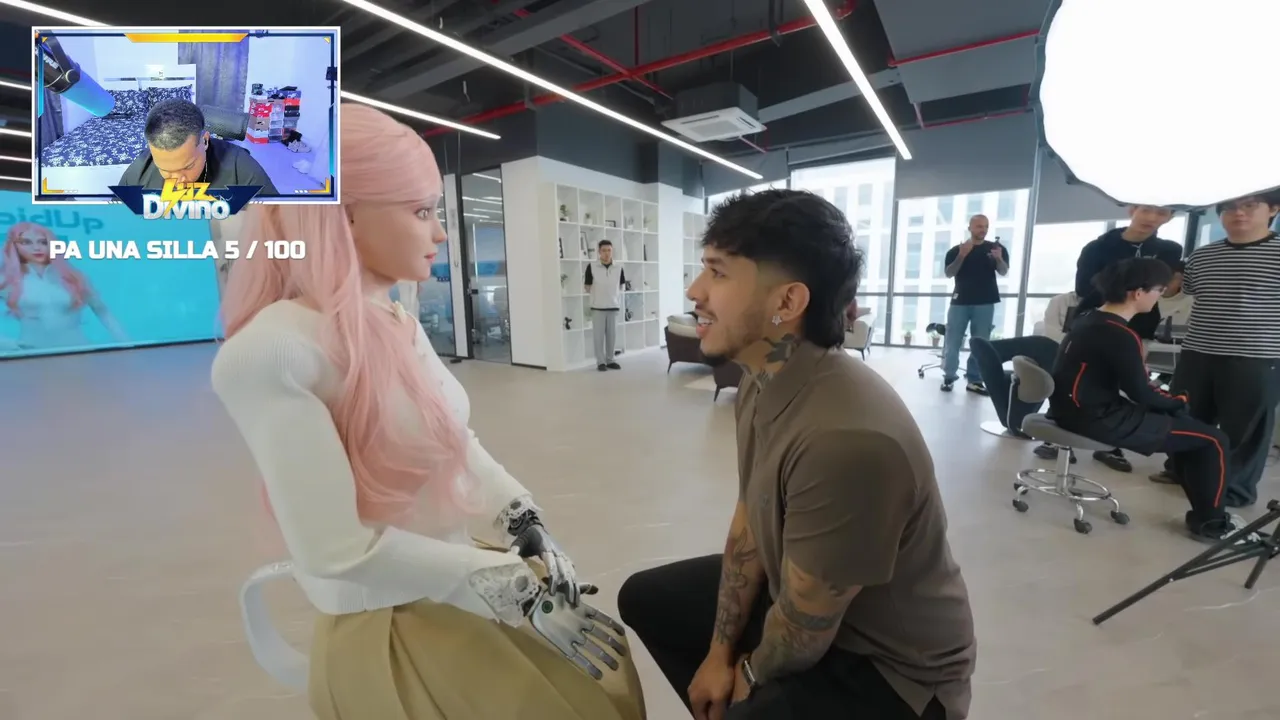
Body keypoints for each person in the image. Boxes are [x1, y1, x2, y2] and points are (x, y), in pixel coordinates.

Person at [210, 104, 643, 720]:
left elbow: (453, 438)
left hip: (453, 590)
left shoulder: (396, 322)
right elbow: (335, 550)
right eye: (421, 212)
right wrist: (508, 584)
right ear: (346, 214)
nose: (440, 234)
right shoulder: (274, 350)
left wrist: (520, 520)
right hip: (391, 627)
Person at [617, 190, 975, 720]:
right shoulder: (760, 380)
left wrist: (743, 679)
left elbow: (806, 629)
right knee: (646, 598)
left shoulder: (847, 440)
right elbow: (750, 521)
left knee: (744, 705)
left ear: (787, 303)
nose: (695, 291)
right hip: (806, 601)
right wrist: (718, 653)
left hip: (890, 669)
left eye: (717, 273)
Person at [1048, 258, 1241, 541]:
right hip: (1098, 418)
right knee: (1215, 440)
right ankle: (1212, 524)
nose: (1159, 296)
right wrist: (1178, 400)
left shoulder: (1087, 318)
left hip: (1070, 409)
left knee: (1191, 431)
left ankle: (1203, 513)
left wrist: (1171, 403)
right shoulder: (1121, 334)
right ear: (1138, 292)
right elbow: (1142, 393)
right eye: (1159, 290)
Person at [1148, 192, 1280, 508]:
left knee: (1245, 428)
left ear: (1273, 209)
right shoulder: (1203, 256)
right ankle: (1180, 470)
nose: (1239, 213)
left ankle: (1235, 489)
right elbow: (1189, 293)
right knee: (1188, 414)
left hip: (1257, 356)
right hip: (1198, 350)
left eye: (1250, 206)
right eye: (1230, 208)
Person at [1070, 205, 1182, 473]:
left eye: (1162, 213)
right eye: (1147, 209)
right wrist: (1125, 290)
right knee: (1077, 377)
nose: (1152, 218)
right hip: (1094, 321)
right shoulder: (1099, 247)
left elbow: (1163, 288)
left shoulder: (1169, 250)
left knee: (1128, 381)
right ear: (1132, 209)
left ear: (1170, 217)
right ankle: (1062, 436)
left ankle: (1111, 444)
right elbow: (1083, 287)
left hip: (1140, 325)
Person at [0, 221, 125, 352]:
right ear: (14, 246)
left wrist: (126, 344)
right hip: (32, 353)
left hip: (79, 351)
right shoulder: (5, 280)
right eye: (26, 242)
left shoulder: (73, 277)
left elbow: (103, 312)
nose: (36, 247)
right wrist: (9, 344)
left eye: (43, 242)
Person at [119, 98, 278, 195]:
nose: (178, 182)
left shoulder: (241, 167)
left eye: (188, 166)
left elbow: (276, 221)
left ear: (205, 140)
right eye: (165, 170)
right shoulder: (138, 174)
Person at [940, 214, 1008, 394]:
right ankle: (949, 376)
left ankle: (975, 379)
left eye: (985, 226)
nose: (983, 230)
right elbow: (949, 273)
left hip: (985, 302)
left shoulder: (996, 249)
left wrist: (999, 258)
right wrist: (962, 255)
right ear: (970, 227)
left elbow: (1003, 271)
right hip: (960, 302)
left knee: (980, 343)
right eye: (979, 226)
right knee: (952, 341)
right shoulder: (956, 250)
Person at [583, 239, 625, 371]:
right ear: (599, 252)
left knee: (612, 336)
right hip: (598, 307)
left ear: (612, 251)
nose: (607, 253)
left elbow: (621, 286)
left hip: (613, 306)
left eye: (609, 250)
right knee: (598, 336)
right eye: (604, 250)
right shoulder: (591, 267)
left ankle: (610, 360)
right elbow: (587, 286)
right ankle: (601, 362)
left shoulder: (619, 268)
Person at [1155, 260, 1194, 328]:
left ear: (1183, 281)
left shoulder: (1191, 303)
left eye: (1170, 279)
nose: (1164, 283)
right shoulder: (1147, 298)